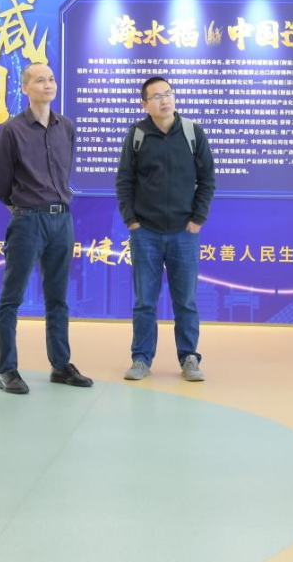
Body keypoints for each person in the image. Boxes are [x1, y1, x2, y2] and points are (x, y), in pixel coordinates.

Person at [0, 63, 92, 395]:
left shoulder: (67, 127)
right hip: (28, 220)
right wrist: (23, 206)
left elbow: (64, 172)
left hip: (62, 220)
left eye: (51, 79)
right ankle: (7, 369)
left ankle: (61, 365)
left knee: (58, 298)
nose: (48, 85)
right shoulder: (11, 130)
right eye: (39, 80)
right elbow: (2, 185)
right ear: (25, 88)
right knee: (12, 298)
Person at [115, 76, 215, 382]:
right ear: (144, 104)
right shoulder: (137, 134)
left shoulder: (192, 132)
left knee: (186, 301)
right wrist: (132, 221)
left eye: (168, 93)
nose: (165, 100)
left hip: (184, 232)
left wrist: (197, 219)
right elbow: (124, 181)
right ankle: (141, 358)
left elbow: (208, 180)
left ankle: (189, 358)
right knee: (145, 301)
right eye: (157, 96)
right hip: (145, 232)